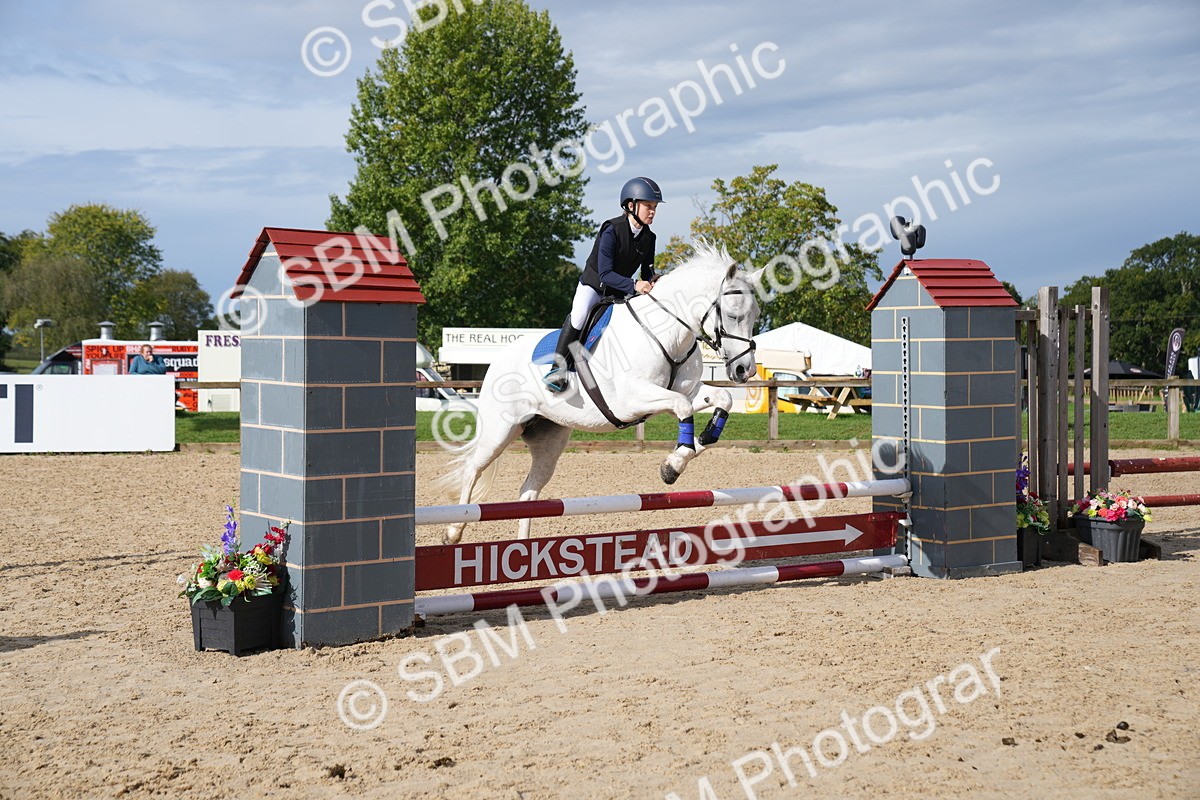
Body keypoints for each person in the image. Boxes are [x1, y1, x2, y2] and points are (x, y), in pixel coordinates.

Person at [544, 176, 663, 392]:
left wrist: (654, 278)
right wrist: (636, 285)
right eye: (648, 206)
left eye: (654, 207)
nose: (652, 211)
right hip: (594, 286)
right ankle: (557, 369)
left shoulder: (649, 237)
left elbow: (647, 271)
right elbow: (606, 273)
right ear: (630, 205)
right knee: (579, 315)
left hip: (618, 293)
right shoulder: (612, 229)